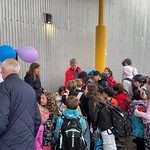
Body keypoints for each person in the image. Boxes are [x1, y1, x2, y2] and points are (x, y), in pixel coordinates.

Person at [0, 59, 41, 150]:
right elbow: (37, 119)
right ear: (18, 71)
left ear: (2, 69)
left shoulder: (3, 88)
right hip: (27, 143)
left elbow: (1, 120)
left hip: (6, 143)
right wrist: (29, 137)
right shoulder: (29, 89)